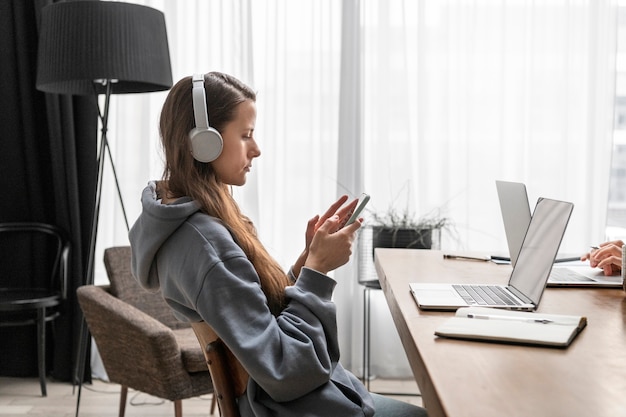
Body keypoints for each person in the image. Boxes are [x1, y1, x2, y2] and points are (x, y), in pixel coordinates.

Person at [129, 72, 428, 417]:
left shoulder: (193, 228)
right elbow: (285, 369)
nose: (256, 149)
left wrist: (304, 265)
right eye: (246, 135)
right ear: (204, 143)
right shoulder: (206, 245)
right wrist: (317, 272)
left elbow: (253, 313)